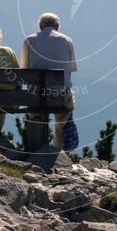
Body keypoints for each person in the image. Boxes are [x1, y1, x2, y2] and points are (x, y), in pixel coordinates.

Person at [20, 12, 77, 150]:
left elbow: (23, 68)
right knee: (65, 110)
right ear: (57, 26)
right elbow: (71, 68)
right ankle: (60, 150)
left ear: (40, 26)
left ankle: (35, 148)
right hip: (59, 97)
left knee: (34, 109)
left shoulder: (29, 40)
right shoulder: (67, 40)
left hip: (35, 96)